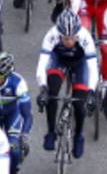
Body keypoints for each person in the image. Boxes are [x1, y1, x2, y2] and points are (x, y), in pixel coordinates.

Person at [35, 9, 98, 156]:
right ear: (59, 34)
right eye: (65, 38)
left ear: (78, 34)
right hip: (59, 60)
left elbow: (92, 67)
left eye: (72, 38)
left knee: (79, 103)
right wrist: (42, 88)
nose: (69, 41)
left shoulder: (85, 37)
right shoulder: (51, 35)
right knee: (51, 92)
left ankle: (78, 136)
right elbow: (42, 64)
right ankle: (51, 132)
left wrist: (91, 91)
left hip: (79, 63)